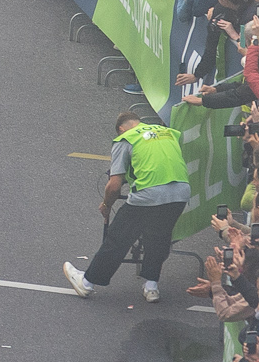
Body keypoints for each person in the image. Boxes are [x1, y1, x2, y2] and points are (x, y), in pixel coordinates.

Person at [62, 110, 193, 303]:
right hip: (180, 192)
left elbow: (114, 185)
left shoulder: (125, 139)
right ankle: (151, 287)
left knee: (118, 238)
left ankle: (87, 283)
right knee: (159, 237)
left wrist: (106, 204)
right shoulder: (167, 132)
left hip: (149, 193)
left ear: (121, 129)